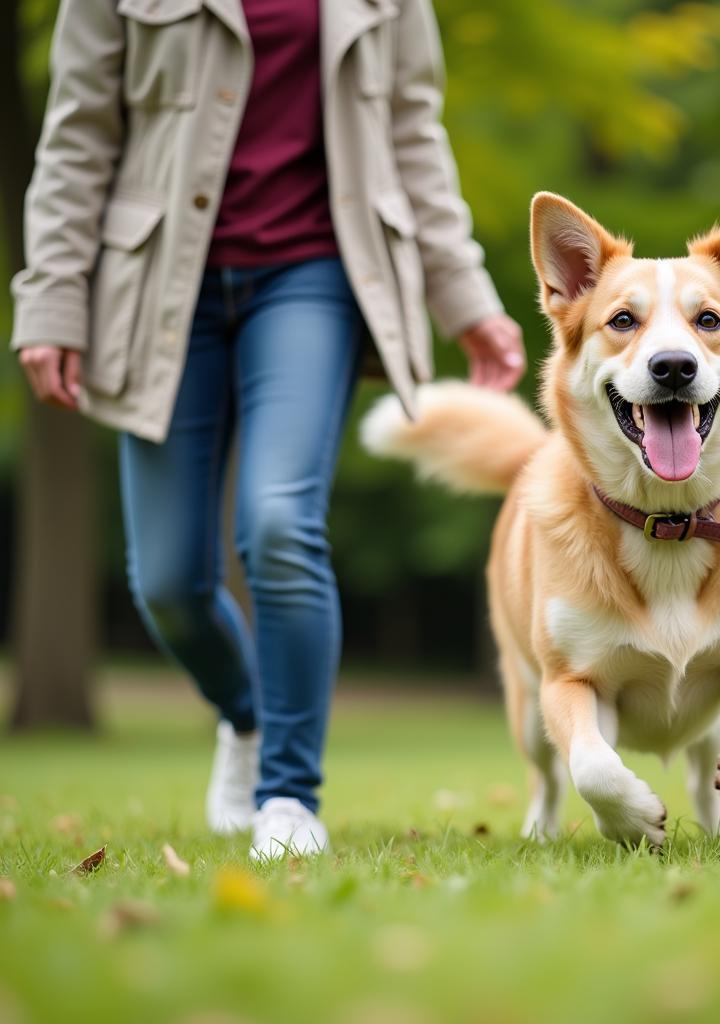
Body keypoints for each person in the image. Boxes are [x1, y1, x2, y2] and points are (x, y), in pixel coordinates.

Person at [11, 0, 524, 859]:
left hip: (314, 274)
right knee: (168, 581)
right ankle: (246, 719)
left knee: (281, 523)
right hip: (162, 282)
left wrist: (464, 297)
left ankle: (289, 795)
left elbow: (413, 136)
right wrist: (52, 298)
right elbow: (78, 137)